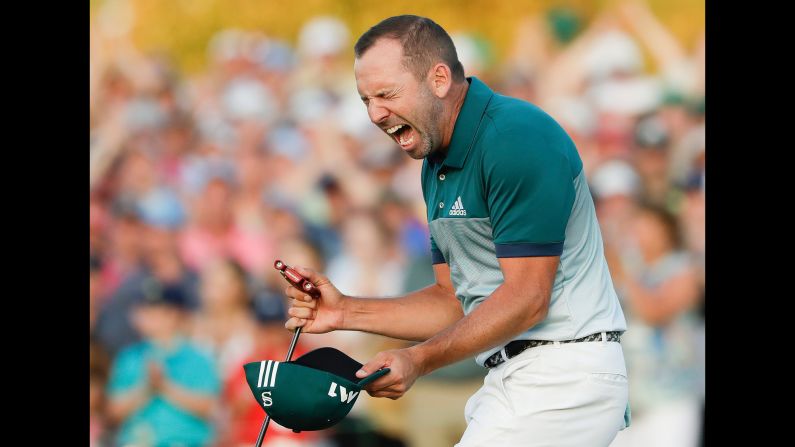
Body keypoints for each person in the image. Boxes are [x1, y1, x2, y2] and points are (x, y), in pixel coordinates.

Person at [284, 15, 629, 446]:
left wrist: (418, 359)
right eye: (366, 100)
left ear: (440, 78)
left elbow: (527, 298)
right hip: (517, 378)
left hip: (562, 376)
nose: (375, 114)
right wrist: (346, 312)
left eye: (386, 94)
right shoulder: (436, 160)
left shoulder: (515, 137)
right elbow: (454, 301)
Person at [106, 278, 220, 446]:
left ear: (173, 314)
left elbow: (211, 407)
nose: (146, 317)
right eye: (143, 310)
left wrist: (165, 386)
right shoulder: (129, 357)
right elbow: (113, 411)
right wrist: (146, 387)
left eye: (155, 311)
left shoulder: (198, 356)